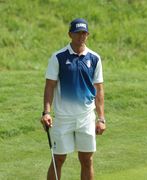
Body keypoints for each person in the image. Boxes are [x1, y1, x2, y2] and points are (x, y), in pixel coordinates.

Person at [40, 18, 106, 180]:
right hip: (63, 118)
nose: (81, 36)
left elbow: (99, 90)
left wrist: (101, 118)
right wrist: (46, 112)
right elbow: (50, 86)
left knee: (87, 160)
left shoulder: (94, 58)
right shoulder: (58, 57)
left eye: (84, 33)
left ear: (88, 35)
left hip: (86, 118)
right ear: (70, 34)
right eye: (77, 33)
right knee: (58, 159)